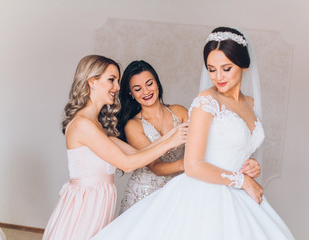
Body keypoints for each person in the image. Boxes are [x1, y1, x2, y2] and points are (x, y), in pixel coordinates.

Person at [92, 28, 294, 240]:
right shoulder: (205, 102)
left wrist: (250, 163)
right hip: (205, 191)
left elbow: (230, 145)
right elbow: (193, 164)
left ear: (244, 65)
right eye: (211, 69)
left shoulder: (250, 104)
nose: (218, 77)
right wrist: (241, 180)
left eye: (226, 68)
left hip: (237, 189)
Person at [42, 55, 187, 240]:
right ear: (92, 82)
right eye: (111, 80)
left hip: (98, 204)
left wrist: (171, 136)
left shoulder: (96, 125)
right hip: (85, 208)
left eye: (117, 81)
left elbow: (139, 154)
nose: (117, 87)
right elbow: (127, 164)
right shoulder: (82, 125)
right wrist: (170, 141)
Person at [116, 60, 188, 214]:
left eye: (149, 84)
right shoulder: (133, 125)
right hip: (145, 194)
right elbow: (156, 167)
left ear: (157, 82)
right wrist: (187, 164)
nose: (146, 91)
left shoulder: (180, 112)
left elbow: (200, 144)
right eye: (137, 89)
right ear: (131, 93)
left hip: (179, 189)